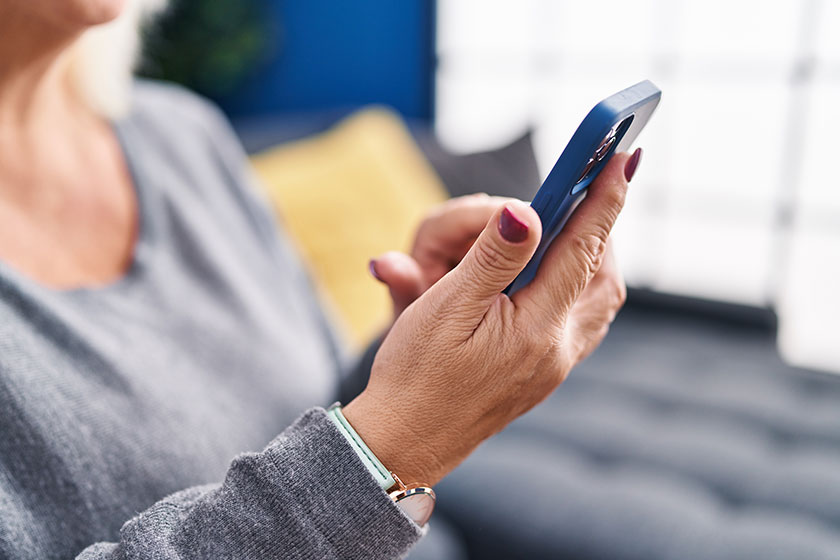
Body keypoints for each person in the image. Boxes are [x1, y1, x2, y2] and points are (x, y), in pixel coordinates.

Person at [0, 0, 639, 558]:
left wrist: (410, 362)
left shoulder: (183, 136)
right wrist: (391, 447)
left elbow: (309, 416)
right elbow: (357, 458)